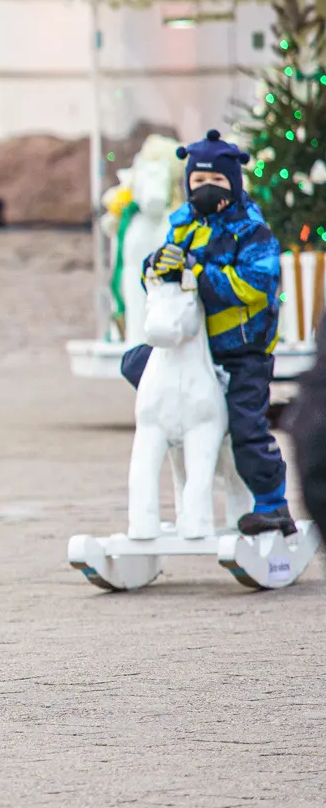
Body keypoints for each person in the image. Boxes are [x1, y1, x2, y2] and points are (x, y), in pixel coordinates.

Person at [123, 130, 293, 536]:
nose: (206, 188)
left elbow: (255, 285)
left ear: (233, 183)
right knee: (137, 365)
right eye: (198, 180)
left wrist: (198, 271)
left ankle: (272, 503)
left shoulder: (251, 232)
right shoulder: (183, 226)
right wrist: (155, 266)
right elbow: (164, 284)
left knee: (246, 425)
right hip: (191, 345)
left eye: (216, 180)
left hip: (240, 349)